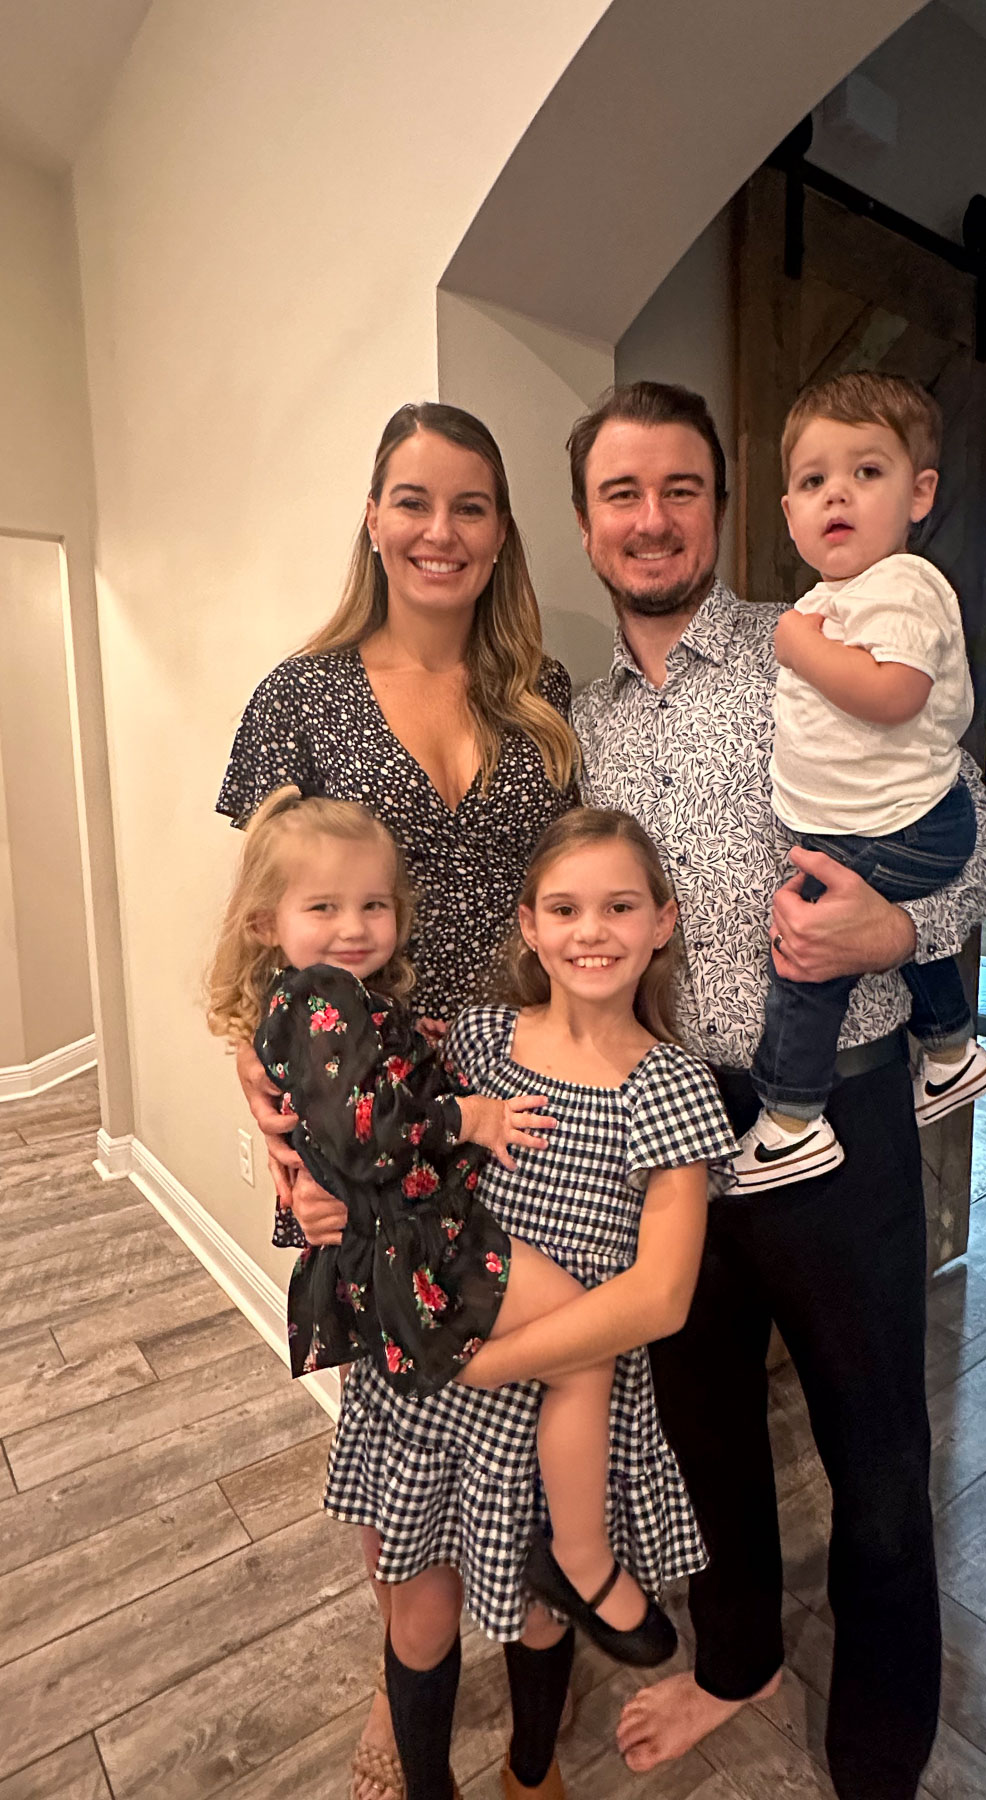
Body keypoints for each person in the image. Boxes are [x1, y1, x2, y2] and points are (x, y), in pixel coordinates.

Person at [569, 380, 986, 1800]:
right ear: (587, 523)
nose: (652, 520)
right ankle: (742, 1657)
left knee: (876, 1450)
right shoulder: (577, 723)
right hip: (675, 1133)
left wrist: (902, 932)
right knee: (705, 1426)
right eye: (621, 493)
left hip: (845, 1115)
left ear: (723, 505)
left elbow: (985, 834)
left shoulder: (822, 634)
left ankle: (881, 1743)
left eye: (680, 488)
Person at [216, 402, 578, 1800]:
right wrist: (266, 1102)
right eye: (414, 502)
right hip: (369, 1116)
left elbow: (573, 906)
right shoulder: (297, 698)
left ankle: (549, 1633)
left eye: (472, 506)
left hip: (530, 1098)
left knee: (539, 1397)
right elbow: (257, 920)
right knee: (405, 1423)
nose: (441, 532)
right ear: (373, 517)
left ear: (501, 532)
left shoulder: (537, 695)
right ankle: (405, 1684)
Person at [285, 806, 735, 1800]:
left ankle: (531, 1769)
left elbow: (660, 1296)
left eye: (620, 906)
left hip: (551, 1399)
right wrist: (313, 1185)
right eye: (565, 908)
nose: (592, 931)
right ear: (528, 925)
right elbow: (371, 1123)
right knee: (422, 1612)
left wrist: (492, 1362)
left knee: (542, 1614)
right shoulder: (479, 1039)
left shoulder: (672, 1087)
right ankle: (426, 1777)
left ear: (662, 921)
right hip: (433, 1381)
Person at [206, 783, 681, 1671]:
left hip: (405, 1235)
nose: (354, 926)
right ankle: (578, 1559)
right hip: (422, 1244)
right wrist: (469, 1116)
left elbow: (343, 1099)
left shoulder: (341, 1001)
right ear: (267, 922)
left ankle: (564, 1563)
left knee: (578, 1346)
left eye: (373, 905)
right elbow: (363, 1128)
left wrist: (412, 1051)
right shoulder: (323, 1000)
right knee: (584, 1344)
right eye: (325, 907)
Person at [734, 371, 986, 1193]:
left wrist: (798, 645)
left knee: (805, 957)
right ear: (789, 513)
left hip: (907, 825)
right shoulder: (836, 597)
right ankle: (952, 1045)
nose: (836, 495)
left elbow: (894, 695)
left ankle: (790, 1119)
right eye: (814, 482)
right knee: (849, 923)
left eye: (867, 473)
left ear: (920, 493)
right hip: (884, 822)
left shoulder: (902, 588)